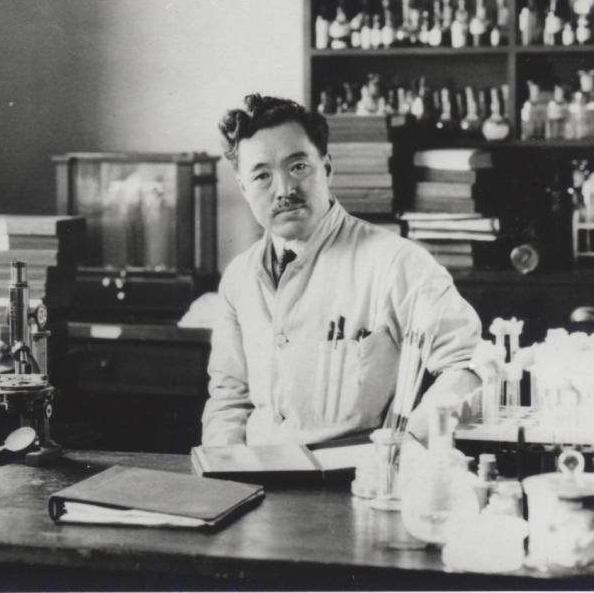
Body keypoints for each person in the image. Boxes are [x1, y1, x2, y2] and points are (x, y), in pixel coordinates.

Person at [201, 93, 482, 447]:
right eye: (261, 176)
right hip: (256, 471)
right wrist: (223, 467)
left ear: (327, 168)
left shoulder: (396, 262)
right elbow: (229, 398)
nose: (284, 189)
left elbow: (467, 368)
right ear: (244, 187)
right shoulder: (239, 277)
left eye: (298, 167)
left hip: (355, 474)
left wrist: (406, 448)